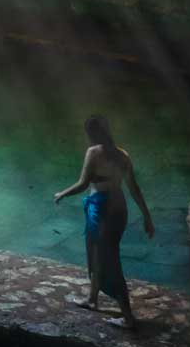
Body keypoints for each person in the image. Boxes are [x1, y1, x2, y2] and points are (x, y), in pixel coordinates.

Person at [54, 113, 154, 329]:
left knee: (108, 261)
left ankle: (128, 317)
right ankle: (92, 299)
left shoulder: (93, 152)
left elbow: (83, 184)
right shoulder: (123, 155)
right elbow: (134, 188)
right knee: (101, 255)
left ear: (91, 133)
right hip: (119, 210)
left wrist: (62, 193)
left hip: (101, 209)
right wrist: (146, 216)